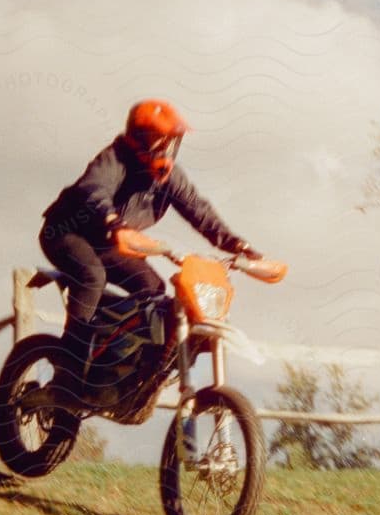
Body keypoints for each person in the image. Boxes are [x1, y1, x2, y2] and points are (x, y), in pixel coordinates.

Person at [40, 99, 257, 397]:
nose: (166, 145)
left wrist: (237, 244)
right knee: (91, 276)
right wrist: (113, 221)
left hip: (112, 243)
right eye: (159, 137)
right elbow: (91, 189)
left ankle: (116, 366)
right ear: (137, 138)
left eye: (171, 139)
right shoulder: (114, 159)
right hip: (67, 234)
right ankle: (67, 373)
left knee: (152, 288)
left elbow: (199, 211)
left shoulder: (169, 176)